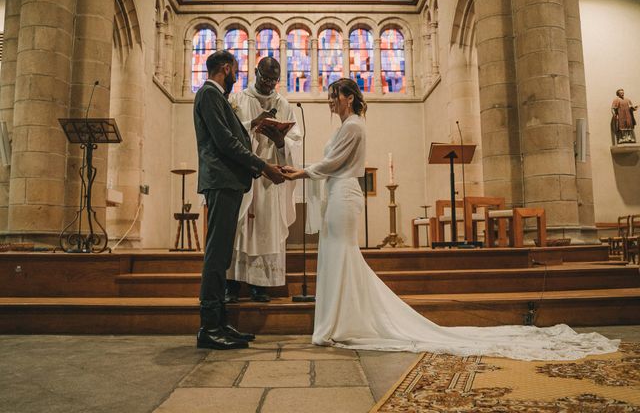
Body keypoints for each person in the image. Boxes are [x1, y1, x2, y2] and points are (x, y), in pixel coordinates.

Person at [281, 78, 619, 361]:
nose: (331, 102)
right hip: (338, 194)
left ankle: (335, 324)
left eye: (335, 96)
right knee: (338, 256)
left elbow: (334, 163)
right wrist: (303, 171)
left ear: (350, 97)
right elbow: (331, 164)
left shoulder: (354, 126)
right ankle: (339, 322)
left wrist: (301, 172)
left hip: (343, 195)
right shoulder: (348, 126)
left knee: (341, 255)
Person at [193, 50, 285, 350]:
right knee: (216, 256)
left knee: (221, 256)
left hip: (229, 183)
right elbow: (226, 142)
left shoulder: (216, 96)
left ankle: (220, 323)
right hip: (221, 182)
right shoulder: (209, 95)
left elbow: (232, 138)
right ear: (225, 68)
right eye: (234, 69)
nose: (236, 75)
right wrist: (263, 166)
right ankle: (209, 327)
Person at [226, 57, 302, 302]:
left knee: (265, 229)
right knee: (239, 229)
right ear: (256, 72)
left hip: (270, 178)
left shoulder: (284, 104)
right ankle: (232, 285)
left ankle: (261, 286)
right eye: (265, 77)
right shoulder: (237, 100)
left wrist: (280, 141)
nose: (269, 84)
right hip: (244, 174)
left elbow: (294, 142)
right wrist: (252, 124)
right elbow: (227, 133)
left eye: (273, 80)